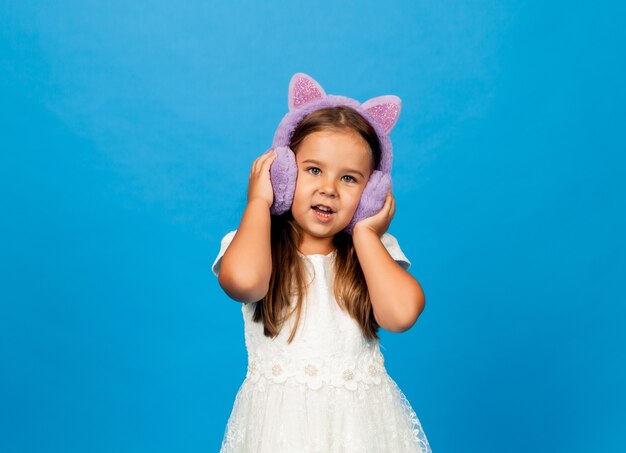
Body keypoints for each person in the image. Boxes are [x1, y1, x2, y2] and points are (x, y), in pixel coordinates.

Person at [212, 73, 432, 452]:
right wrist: (258, 203)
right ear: (282, 173)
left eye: (349, 178)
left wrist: (366, 235)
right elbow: (244, 280)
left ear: (371, 193)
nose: (329, 188)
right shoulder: (255, 241)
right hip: (280, 432)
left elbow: (401, 315)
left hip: (361, 430)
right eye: (313, 170)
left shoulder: (373, 251)